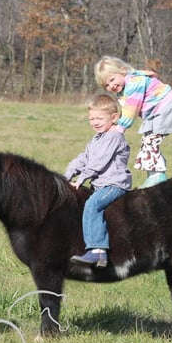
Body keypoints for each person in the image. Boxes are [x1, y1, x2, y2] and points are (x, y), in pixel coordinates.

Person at [94, 55, 172, 188]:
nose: (111, 85)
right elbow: (125, 110)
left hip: (166, 109)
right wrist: (115, 124)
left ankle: (158, 176)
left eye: (112, 79)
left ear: (122, 71)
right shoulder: (125, 88)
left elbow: (131, 110)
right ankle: (153, 175)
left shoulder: (134, 84)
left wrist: (120, 129)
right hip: (158, 112)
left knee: (150, 142)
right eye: (106, 85)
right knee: (147, 142)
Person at [65, 94, 132, 268]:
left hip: (114, 184)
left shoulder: (114, 138)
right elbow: (83, 158)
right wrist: (67, 176)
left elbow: (98, 163)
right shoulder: (97, 139)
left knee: (92, 205)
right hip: (100, 185)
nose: (95, 122)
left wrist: (81, 179)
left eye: (99, 118)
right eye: (91, 118)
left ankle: (97, 251)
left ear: (114, 117)